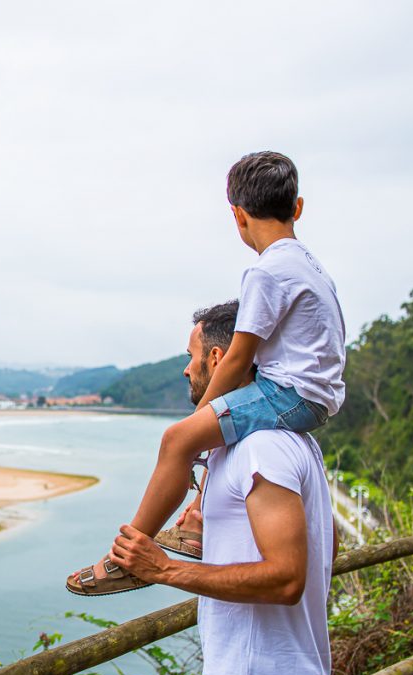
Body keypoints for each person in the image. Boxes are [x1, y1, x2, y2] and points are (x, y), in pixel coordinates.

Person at [67, 151, 345, 595]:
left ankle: (126, 557)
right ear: (297, 208)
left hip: (289, 393)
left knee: (178, 440)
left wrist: (200, 415)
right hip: (313, 398)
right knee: (213, 437)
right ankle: (197, 523)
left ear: (237, 215)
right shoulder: (312, 267)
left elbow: (237, 358)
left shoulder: (267, 271)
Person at [105, 300, 337, 675]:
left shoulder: (261, 447)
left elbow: (287, 579)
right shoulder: (297, 441)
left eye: (190, 355)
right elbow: (327, 543)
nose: (185, 368)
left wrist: (164, 568)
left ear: (216, 358)